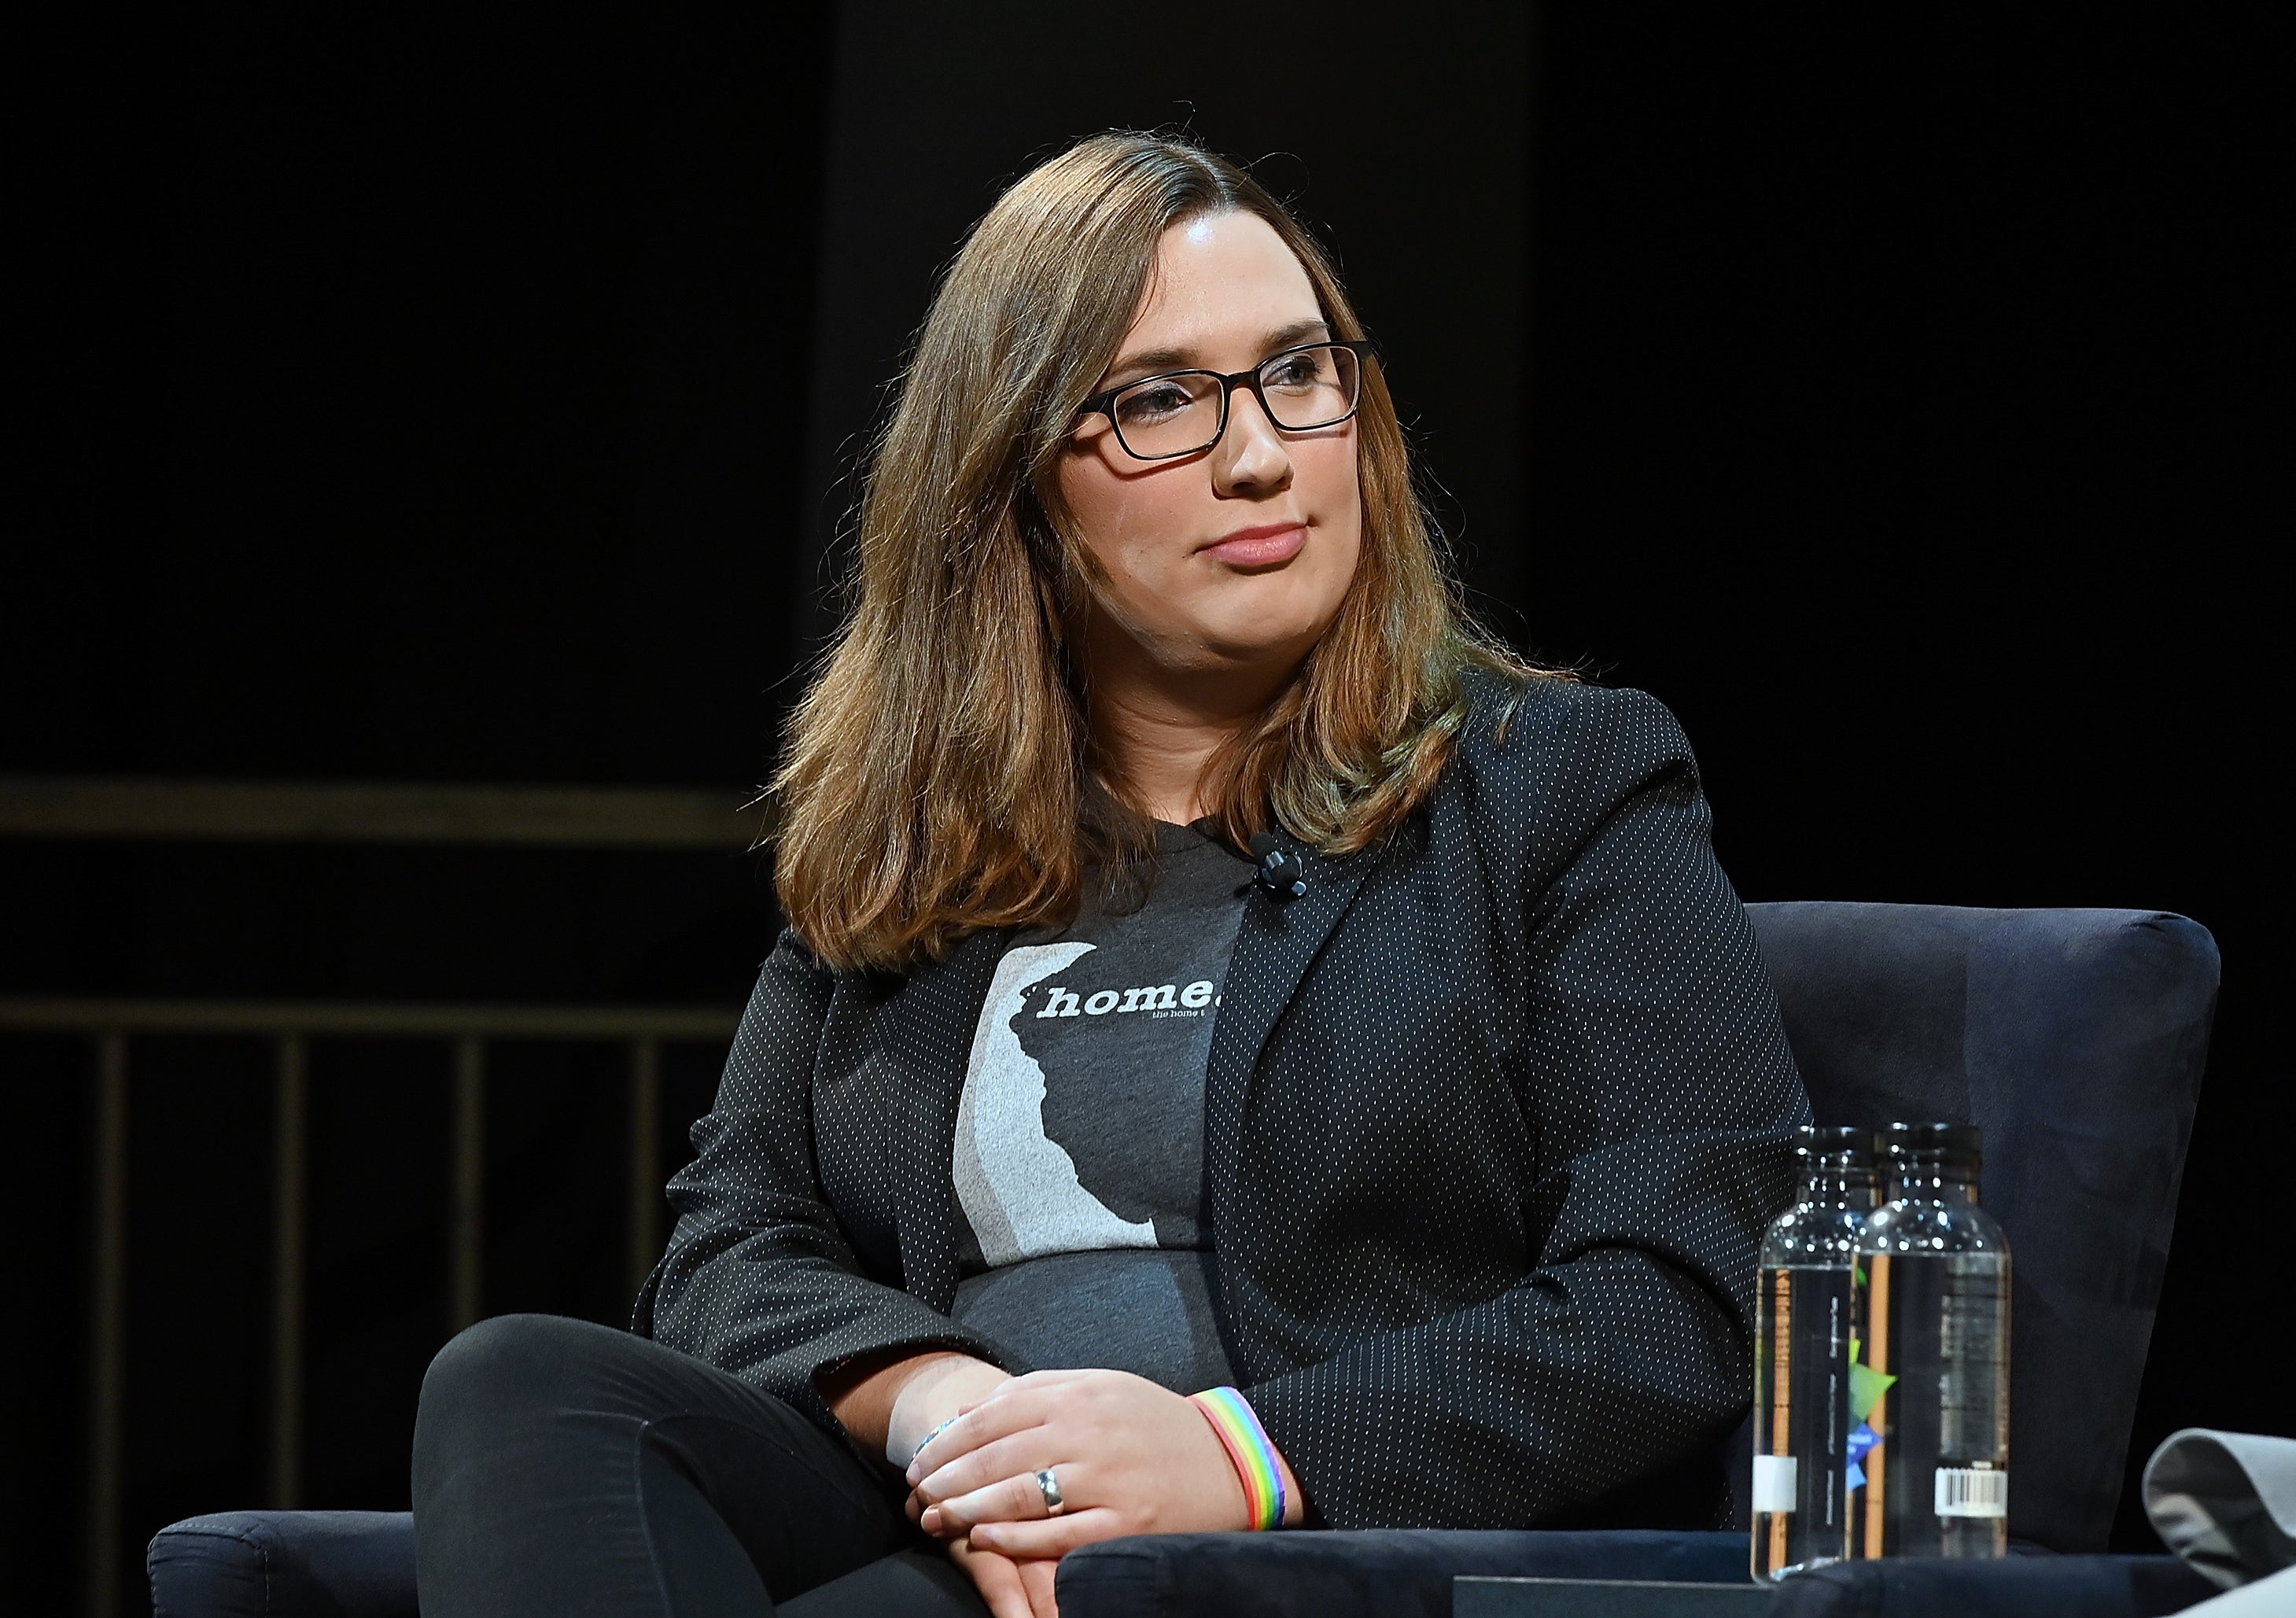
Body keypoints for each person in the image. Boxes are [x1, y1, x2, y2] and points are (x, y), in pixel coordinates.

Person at [410, 130, 1809, 1618]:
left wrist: (1242, 1452)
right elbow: (732, 1244)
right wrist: (943, 1403)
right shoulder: (925, 839)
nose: (1261, 451)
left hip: (1310, 1539)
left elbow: (1687, 1286)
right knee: (522, 1384)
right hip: (946, 1512)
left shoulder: (1555, 788)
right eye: (1156, 402)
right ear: (1016, 488)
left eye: (1297, 372)